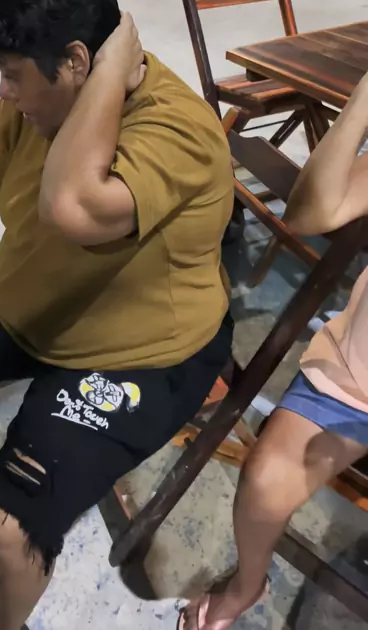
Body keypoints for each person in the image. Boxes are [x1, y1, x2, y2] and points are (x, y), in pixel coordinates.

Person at [0, 0, 234, 630]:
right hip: (33, 300)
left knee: (3, 534)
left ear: (78, 61)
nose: (3, 93)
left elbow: (73, 206)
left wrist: (109, 70)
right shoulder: (34, 103)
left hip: (139, 354)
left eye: (12, 75)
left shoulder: (176, 128)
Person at [178, 71, 368, 630]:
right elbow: (308, 215)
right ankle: (247, 585)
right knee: (263, 480)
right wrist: (361, 100)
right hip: (357, 375)